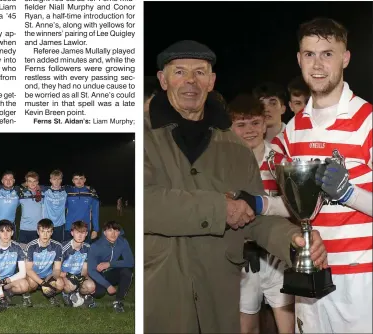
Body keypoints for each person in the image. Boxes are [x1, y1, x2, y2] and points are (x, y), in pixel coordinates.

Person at [144, 39, 328, 333]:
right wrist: (220, 208)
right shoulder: (143, 136)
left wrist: (293, 242)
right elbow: (145, 203)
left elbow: (253, 214)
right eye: (179, 72)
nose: (190, 81)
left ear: (212, 81)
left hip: (220, 294)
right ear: (163, 80)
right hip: (159, 291)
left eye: (200, 72)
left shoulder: (233, 146)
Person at [271, 18, 372, 333]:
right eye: (310, 54)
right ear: (299, 59)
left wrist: (348, 194)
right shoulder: (293, 128)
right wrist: (258, 204)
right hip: (310, 271)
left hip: (359, 279)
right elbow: (290, 204)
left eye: (328, 54)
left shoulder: (367, 121)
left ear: (345, 58)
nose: (317, 64)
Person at [228, 94, 294, 333]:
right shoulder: (224, 166)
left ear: (265, 124)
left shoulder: (281, 162)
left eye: (255, 123)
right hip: (243, 259)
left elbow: (296, 207)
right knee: (247, 329)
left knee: (287, 327)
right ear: (231, 127)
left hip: (277, 256)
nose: (250, 130)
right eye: (241, 125)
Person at [0, 219, 29, 312]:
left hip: (7, 279)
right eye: (2, 231)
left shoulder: (17, 247)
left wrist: (6, 281)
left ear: (12, 233)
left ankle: (8, 293)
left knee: (24, 285)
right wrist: (1, 298)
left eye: (8, 231)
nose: (5, 234)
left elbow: (22, 273)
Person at [87, 221, 134, 313]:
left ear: (119, 232)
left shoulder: (122, 242)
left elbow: (130, 262)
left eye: (116, 231)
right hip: (98, 274)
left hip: (111, 272)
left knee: (127, 272)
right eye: (110, 230)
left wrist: (109, 264)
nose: (113, 234)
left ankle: (118, 301)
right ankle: (86, 294)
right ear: (104, 232)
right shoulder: (96, 246)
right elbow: (91, 270)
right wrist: (107, 285)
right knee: (99, 293)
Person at [24, 218, 64, 307]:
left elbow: (57, 268)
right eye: (42, 231)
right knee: (32, 283)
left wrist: (53, 279)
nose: (45, 235)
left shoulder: (57, 246)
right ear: (38, 232)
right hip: (34, 275)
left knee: (60, 284)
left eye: (48, 231)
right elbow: (29, 270)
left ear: (52, 232)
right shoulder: (31, 246)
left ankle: (51, 295)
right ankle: (26, 295)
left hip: (48, 275)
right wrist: (43, 283)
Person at [60, 220, 96, 307]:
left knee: (91, 286)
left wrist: (81, 279)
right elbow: (56, 269)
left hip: (78, 275)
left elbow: (84, 269)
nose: (80, 235)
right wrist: (66, 276)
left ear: (86, 234)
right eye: (77, 232)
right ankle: (66, 293)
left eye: (83, 232)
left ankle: (81, 294)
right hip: (65, 275)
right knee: (70, 286)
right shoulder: (63, 247)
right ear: (72, 233)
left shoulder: (88, 248)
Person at [0, 171, 20, 269]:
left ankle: (11, 273)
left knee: (11, 252)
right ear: (2, 181)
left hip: (10, 227)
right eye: (6, 179)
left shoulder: (18, 192)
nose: (8, 181)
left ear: (14, 181)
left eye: (10, 179)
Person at [66, 172, 100, 242]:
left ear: (85, 180)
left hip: (85, 228)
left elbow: (95, 212)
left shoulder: (91, 192)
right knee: (69, 251)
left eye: (81, 178)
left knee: (85, 251)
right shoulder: (67, 192)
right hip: (70, 228)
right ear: (73, 180)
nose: (78, 181)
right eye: (76, 179)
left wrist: (95, 229)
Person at [18, 171, 44, 246]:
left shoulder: (43, 194)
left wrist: (39, 190)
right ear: (26, 182)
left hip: (38, 229)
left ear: (37, 182)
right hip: (24, 228)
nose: (32, 183)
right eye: (30, 181)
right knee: (23, 254)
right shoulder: (21, 194)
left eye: (34, 181)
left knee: (36, 254)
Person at [42, 170, 68, 242]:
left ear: (61, 180)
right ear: (50, 180)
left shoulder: (65, 191)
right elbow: (31, 185)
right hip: (47, 224)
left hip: (60, 224)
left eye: (59, 179)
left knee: (59, 245)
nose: (56, 181)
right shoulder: (45, 190)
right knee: (46, 245)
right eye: (54, 179)